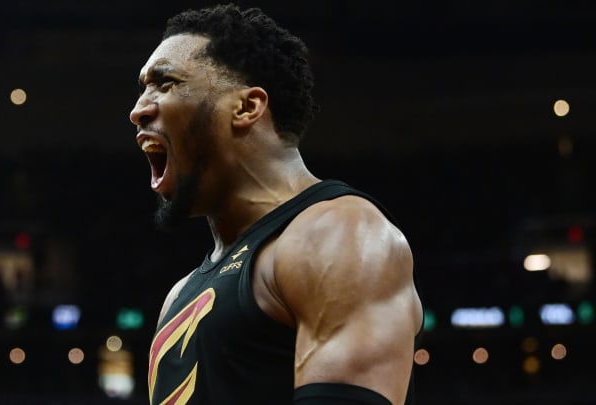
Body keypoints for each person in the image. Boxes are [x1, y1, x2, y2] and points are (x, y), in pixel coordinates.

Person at [128, 4, 423, 404]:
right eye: (143, 88)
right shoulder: (180, 295)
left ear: (247, 107)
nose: (138, 109)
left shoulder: (338, 234)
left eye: (165, 83)